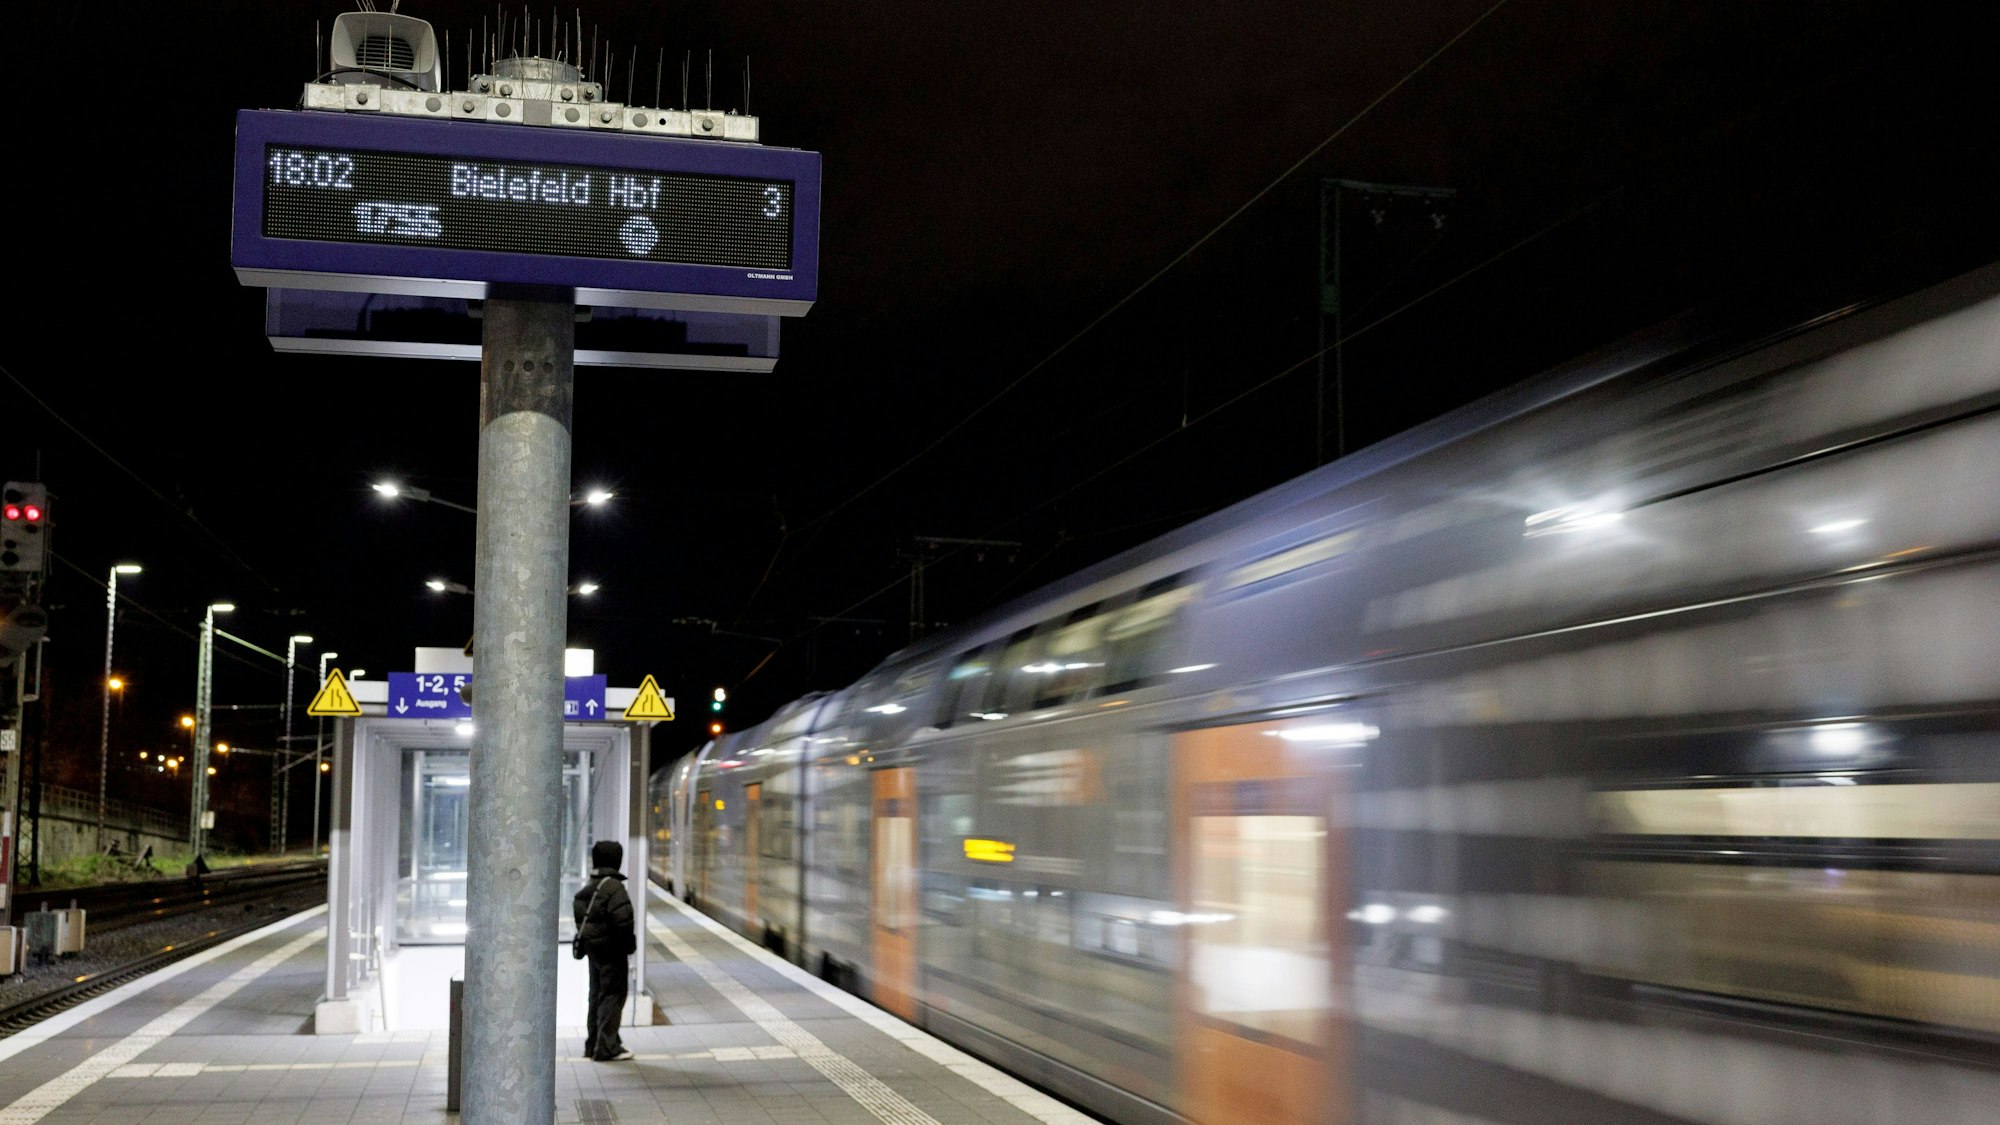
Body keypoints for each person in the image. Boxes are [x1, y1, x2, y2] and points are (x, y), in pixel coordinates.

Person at [572, 839, 637, 1062]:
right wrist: (629, 947)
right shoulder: (614, 888)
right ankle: (607, 1047)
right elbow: (624, 922)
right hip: (613, 954)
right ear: (616, 860)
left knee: (596, 996)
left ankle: (593, 1044)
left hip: (594, 953)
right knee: (612, 996)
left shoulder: (588, 888)